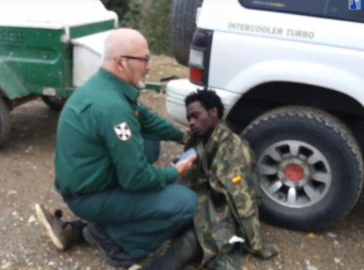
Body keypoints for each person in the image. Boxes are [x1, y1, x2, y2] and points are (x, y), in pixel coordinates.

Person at [34, 28, 197, 268]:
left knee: (149, 142)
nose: (149, 66)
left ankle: (99, 225)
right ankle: (115, 242)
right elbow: (136, 179)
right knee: (185, 202)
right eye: (144, 59)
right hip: (88, 197)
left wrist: (184, 137)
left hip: (88, 181)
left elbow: (145, 119)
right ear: (120, 62)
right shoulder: (113, 108)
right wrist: (175, 172)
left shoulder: (108, 87)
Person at [138, 89, 279, 269]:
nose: (192, 123)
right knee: (159, 218)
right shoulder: (202, 138)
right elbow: (188, 165)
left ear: (213, 112)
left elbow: (243, 203)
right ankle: (98, 235)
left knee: (187, 245)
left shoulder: (232, 152)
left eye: (196, 116)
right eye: (189, 118)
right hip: (201, 199)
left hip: (223, 210)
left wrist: (254, 243)